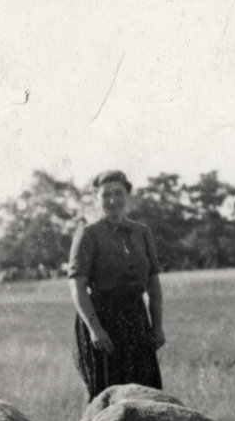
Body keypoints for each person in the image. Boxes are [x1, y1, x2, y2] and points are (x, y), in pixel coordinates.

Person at [67, 170, 165, 400]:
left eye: (119, 193)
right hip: (103, 321)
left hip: (137, 319)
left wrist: (157, 326)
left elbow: (153, 283)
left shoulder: (142, 232)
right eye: (106, 195)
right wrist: (95, 329)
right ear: (96, 198)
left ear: (127, 195)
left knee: (146, 394)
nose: (113, 200)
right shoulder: (88, 234)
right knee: (106, 396)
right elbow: (77, 287)